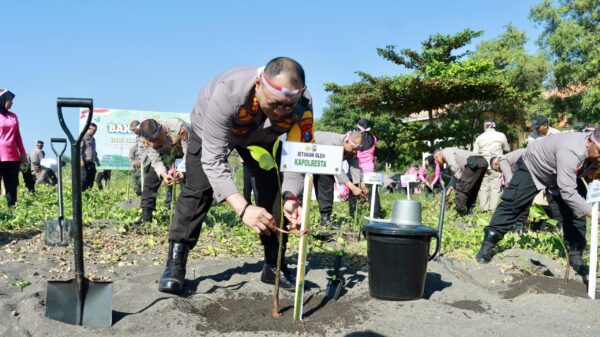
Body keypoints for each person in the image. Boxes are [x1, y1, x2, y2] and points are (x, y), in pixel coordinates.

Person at [158, 57, 313, 295]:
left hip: (263, 138)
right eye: (274, 104)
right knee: (198, 190)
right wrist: (243, 208)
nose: (280, 111)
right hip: (212, 129)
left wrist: (291, 195)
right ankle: (176, 261)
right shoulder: (228, 93)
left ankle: (274, 264)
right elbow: (212, 160)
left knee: (274, 188)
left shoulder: (303, 104)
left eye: (287, 107)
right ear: (259, 84)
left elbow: (298, 154)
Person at [475, 130, 600, 283]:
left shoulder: (591, 152)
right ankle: (488, 244)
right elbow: (568, 192)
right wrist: (595, 214)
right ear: (590, 142)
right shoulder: (570, 150)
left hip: (563, 174)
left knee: (576, 212)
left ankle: (576, 256)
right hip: (535, 167)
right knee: (512, 204)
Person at [137, 118, 190, 223]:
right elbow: (156, 161)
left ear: (161, 128)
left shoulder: (178, 127)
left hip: (182, 154)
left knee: (188, 183)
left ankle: (187, 217)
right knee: (150, 181)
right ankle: (146, 216)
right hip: (165, 155)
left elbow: (189, 152)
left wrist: (182, 171)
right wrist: (164, 175)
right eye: (153, 142)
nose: (156, 143)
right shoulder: (145, 141)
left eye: (157, 139)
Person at [312, 131, 367, 228]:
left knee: (327, 181)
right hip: (307, 153)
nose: (355, 151)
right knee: (302, 185)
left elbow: (355, 166)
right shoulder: (334, 144)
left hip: (322, 162)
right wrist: (352, 188)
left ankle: (325, 218)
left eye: (357, 149)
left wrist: (359, 184)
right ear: (346, 141)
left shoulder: (351, 149)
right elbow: (335, 167)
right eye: (354, 148)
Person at [433, 147, 488, 216]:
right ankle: (470, 213)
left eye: (436, 160)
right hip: (482, 162)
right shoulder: (451, 154)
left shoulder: (446, 152)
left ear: (437, 155)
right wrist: (449, 190)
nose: (438, 163)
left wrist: (460, 182)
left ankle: (461, 212)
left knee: (461, 189)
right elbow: (454, 176)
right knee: (473, 190)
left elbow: (455, 167)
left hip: (474, 162)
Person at [473, 119, 510, 212]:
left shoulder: (479, 138)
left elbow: (474, 154)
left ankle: (483, 209)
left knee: (483, 188)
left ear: (485, 126)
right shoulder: (501, 136)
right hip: (496, 166)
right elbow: (507, 149)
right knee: (495, 188)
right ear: (494, 126)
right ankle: (493, 209)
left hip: (482, 166)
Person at [0, 89, 26, 207]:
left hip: (12, 156)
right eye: (9, 100)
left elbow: (17, 136)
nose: (11, 103)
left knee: (11, 184)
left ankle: (12, 207)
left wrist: (23, 153)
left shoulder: (13, 116)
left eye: (12, 100)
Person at [353, 118, 380, 218]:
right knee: (373, 193)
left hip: (358, 168)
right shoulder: (374, 138)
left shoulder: (357, 138)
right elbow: (374, 152)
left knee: (357, 192)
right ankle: (376, 214)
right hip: (371, 168)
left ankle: (357, 214)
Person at [129, 120, 147, 197]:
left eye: (134, 130)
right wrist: (134, 162)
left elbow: (148, 150)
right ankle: (139, 196)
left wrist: (141, 162)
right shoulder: (138, 137)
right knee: (136, 182)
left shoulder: (146, 136)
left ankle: (144, 197)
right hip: (138, 164)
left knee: (145, 182)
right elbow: (136, 150)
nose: (133, 132)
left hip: (145, 164)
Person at [80, 123, 99, 191]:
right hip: (84, 162)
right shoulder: (83, 137)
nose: (95, 132)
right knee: (84, 180)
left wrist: (97, 160)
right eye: (94, 130)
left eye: (96, 131)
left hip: (91, 162)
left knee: (91, 179)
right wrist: (81, 160)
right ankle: (82, 193)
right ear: (89, 129)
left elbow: (93, 150)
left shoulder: (93, 139)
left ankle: (89, 192)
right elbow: (80, 150)